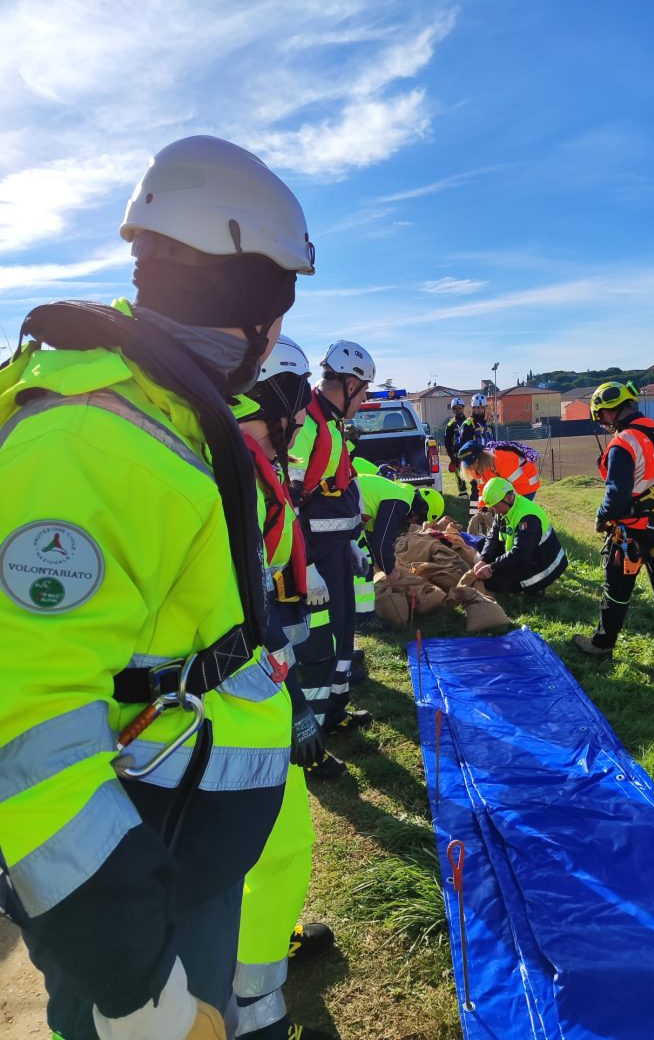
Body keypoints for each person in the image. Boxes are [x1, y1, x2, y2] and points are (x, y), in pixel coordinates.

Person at [0, 135, 313, 1039]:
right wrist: (134, 986)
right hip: (135, 890)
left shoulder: (166, 414)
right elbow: (25, 731)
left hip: (182, 852)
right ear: (252, 304)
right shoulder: (90, 443)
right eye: (275, 308)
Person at [236, 336, 336, 1040]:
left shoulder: (225, 451)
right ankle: (250, 997)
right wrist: (292, 694)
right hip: (229, 700)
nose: (300, 425)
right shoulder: (232, 460)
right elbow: (242, 601)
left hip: (234, 689)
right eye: (295, 409)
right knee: (275, 846)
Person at [571, 381, 654, 684]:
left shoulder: (623, 443)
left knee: (616, 593)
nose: (603, 423)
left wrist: (602, 518)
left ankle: (602, 646)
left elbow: (616, 497)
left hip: (631, 534)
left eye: (601, 416)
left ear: (610, 411)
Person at [288, 341, 376, 736]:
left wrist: (352, 542)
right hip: (313, 559)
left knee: (343, 634)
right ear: (351, 383)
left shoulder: (332, 425)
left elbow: (336, 490)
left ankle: (335, 711)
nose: (366, 398)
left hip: (335, 552)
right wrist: (304, 566)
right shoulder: (306, 424)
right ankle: (314, 730)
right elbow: (285, 502)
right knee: (317, 644)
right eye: (365, 390)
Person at [472, 478, 568, 594]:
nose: (494, 511)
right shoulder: (505, 509)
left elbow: (521, 553)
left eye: (495, 506)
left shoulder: (528, 518)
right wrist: (484, 559)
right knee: (483, 546)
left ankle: (536, 588)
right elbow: (492, 537)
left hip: (543, 566)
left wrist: (492, 567)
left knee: (492, 582)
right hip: (526, 555)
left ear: (507, 498)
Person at [355, 475, 444, 580]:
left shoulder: (404, 493)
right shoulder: (400, 502)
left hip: (348, 502)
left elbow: (377, 538)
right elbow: (381, 542)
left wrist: (389, 564)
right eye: (419, 519)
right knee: (363, 564)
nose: (414, 523)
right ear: (420, 508)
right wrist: (389, 571)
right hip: (344, 504)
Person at [457, 439, 540, 504]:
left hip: (528, 487)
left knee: (515, 515)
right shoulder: (476, 467)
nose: (472, 468)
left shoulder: (503, 462)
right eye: (469, 465)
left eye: (473, 463)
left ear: (482, 457)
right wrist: (483, 507)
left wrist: (503, 501)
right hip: (512, 486)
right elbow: (483, 490)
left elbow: (522, 486)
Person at [458, 393, 496, 515]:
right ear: (473, 408)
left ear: (485, 408)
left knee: (490, 486)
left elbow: (493, 442)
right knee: (476, 489)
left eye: (482, 408)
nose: (479, 410)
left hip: (488, 461)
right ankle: (473, 515)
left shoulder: (489, 425)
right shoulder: (468, 424)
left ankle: (488, 514)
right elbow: (463, 446)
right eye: (477, 408)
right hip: (474, 462)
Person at [443, 396, 468, 496]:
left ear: (463, 408)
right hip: (457, 453)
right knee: (459, 473)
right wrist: (451, 456)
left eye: (460, 408)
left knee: (471, 471)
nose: (459, 410)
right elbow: (447, 442)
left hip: (469, 451)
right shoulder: (450, 425)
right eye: (456, 409)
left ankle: (477, 491)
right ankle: (463, 493)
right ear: (453, 410)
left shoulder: (469, 422)